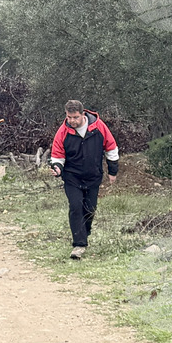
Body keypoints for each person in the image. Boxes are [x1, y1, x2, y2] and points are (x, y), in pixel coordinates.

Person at [50, 99, 119, 259]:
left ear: (83, 114)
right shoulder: (63, 131)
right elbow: (57, 154)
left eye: (75, 117)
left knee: (90, 209)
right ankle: (79, 245)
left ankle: (85, 231)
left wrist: (112, 171)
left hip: (93, 176)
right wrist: (57, 168)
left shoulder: (99, 127)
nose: (72, 121)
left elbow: (111, 148)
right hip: (72, 176)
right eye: (69, 117)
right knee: (75, 207)